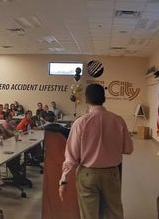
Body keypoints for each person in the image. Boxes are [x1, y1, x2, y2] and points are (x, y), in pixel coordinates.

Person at [59, 84, 133, 219]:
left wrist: (64, 179)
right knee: (114, 213)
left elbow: (71, 156)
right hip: (112, 174)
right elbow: (128, 149)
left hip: (87, 174)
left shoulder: (80, 123)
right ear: (104, 99)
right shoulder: (118, 120)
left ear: (86, 100)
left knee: (89, 215)